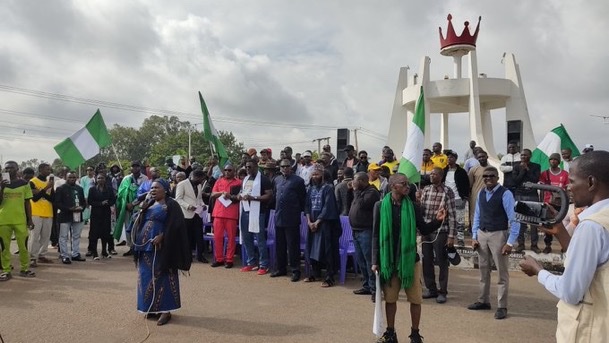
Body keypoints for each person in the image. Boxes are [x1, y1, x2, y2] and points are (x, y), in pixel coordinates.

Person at [519, 150, 609, 342]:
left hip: (588, 331)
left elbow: (571, 291)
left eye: (573, 181)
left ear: (591, 183)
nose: (568, 187)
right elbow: (596, 264)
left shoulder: (592, 227)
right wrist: (560, 231)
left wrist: (538, 271)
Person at [372, 173, 446, 343]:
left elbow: (425, 229)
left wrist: (437, 221)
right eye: (403, 184)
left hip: (410, 261)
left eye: (407, 183)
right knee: (390, 299)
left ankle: (415, 333)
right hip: (388, 261)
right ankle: (391, 333)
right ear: (392, 186)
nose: (408, 186)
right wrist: (374, 261)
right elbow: (375, 235)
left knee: (415, 299)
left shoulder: (413, 207)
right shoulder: (380, 206)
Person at [131, 179, 191, 326]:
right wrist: (141, 210)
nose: (153, 190)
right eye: (151, 188)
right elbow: (137, 222)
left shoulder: (171, 205)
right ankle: (151, 308)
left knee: (163, 276)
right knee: (146, 276)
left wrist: (163, 236)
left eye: (156, 188)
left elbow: (177, 225)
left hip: (163, 248)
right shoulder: (149, 204)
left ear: (165, 189)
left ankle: (166, 310)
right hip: (145, 247)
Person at [468, 166, 520, 320]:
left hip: (499, 234)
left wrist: (510, 243)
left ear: (497, 177)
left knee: (501, 273)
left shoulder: (506, 194)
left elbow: (514, 220)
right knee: (483, 270)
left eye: (491, 175)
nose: (488, 178)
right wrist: (474, 236)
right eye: (485, 176)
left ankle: (502, 306)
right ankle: (483, 300)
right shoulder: (481, 193)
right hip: (482, 234)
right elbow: (477, 215)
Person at [418, 167, 457, 304]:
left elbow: (452, 215)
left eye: (435, 174)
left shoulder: (447, 192)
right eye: (431, 174)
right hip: (426, 230)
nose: (432, 176)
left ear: (441, 176)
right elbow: (421, 210)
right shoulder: (426, 190)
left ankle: (442, 291)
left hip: (441, 231)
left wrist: (451, 236)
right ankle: (431, 288)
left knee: (442, 261)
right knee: (427, 260)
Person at [304, 166, 341, 287]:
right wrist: (309, 221)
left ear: (322, 175)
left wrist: (318, 222)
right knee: (312, 248)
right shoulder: (310, 189)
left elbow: (328, 207)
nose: (315, 177)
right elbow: (307, 206)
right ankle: (314, 273)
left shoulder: (328, 188)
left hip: (324, 224)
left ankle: (329, 277)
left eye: (317, 174)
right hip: (312, 224)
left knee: (326, 250)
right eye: (313, 175)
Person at [271, 158, 306, 282]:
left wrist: (296, 211)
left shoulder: (298, 181)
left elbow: (303, 199)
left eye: (287, 166)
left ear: (291, 167)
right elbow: (275, 196)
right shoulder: (276, 179)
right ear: (279, 168)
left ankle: (295, 270)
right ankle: (281, 269)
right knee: (280, 245)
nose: (285, 168)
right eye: (282, 167)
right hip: (279, 217)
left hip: (292, 218)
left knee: (292, 246)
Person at [0, 161, 35, 281]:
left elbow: (27, 202)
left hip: (20, 220)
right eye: (6, 168)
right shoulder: (1, 184)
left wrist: (30, 219)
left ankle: (25, 269)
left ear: (17, 169)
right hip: (3, 220)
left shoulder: (24, 183)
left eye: (11, 168)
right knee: (4, 248)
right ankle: (6, 271)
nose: (8, 170)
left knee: (23, 247)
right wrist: (1, 188)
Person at [238, 158, 273, 275]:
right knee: (247, 238)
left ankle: (264, 264)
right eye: (246, 167)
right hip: (245, 210)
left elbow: (269, 195)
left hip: (258, 212)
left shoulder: (263, 179)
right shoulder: (245, 179)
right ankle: (251, 262)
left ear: (256, 167)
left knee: (260, 239)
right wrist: (239, 196)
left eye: (250, 167)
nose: (247, 169)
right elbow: (242, 191)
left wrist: (254, 198)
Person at [349, 172, 380, 300]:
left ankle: (375, 289)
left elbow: (363, 204)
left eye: (355, 180)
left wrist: (355, 190)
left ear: (362, 181)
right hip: (356, 230)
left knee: (369, 261)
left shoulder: (372, 192)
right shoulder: (359, 192)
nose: (352, 182)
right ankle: (367, 285)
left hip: (366, 231)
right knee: (361, 260)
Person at [114, 161, 149, 256]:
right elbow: (121, 192)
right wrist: (126, 203)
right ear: (131, 168)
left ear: (140, 168)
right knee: (128, 228)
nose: (135, 168)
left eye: (137, 166)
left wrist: (133, 204)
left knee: (139, 227)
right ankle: (131, 247)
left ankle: (138, 247)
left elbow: (146, 192)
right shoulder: (126, 178)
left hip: (139, 207)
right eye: (133, 166)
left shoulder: (145, 178)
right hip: (127, 207)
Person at [210, 164, 241, 268]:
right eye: (226, 170)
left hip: (231, 214)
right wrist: (221, 193)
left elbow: (239, 197)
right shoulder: (219, 181)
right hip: (218, 213)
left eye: (230, 170)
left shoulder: (239, 182)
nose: (227, 172)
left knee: (231, 238)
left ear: (234, 171)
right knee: (217, 237)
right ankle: (219, 259)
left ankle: (229, 259)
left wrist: (230, 196)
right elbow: (213, 194)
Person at [175, 169, 208, 264]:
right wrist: (188, 206)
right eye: (200, 179)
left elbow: (199, 198)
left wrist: (203, 205)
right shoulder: (182, 184)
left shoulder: (199, 185)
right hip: (186, 214)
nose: (201, 181)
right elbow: (178, 199)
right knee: (187, 236)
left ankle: (200, 255)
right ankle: (187, 256)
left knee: (199, 236)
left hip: (197, 213)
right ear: (194, 177)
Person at [539, 153, 569, 254]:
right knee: (548, 225)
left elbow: (567, 189)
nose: (553, 161)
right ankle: (548, 245)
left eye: (555, 160)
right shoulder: (544, 173)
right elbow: (542, 189)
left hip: (561, 203)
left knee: (561, 225)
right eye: (551, 159)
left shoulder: (565, 174)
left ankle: (563, 245)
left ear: (559, 161)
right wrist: (542, 201)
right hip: (548, 202)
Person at [513, 149, 542, 253]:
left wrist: (528, 169)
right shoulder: (516, 166)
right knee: (520, 221)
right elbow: (515, 181)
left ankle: (534, 245)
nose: (523, 157)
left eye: (525, 155)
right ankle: (521, 244)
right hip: (520, 195)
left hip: (532, 196)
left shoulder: (536, 166)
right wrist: (522, 170)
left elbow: (535, 179)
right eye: (522, 155)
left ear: (530, 156)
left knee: (533, 222)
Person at [55, 171, 87, 264]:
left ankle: (75, 254)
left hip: (78, 215)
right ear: (66, 178)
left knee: (76, 236)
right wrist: (69, 209)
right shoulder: (61, 188)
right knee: (63, 236)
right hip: (65, 216)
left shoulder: (80, 189)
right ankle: (65, 255)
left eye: (74, 177)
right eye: (70, 177)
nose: (72, 179)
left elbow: (83, 202)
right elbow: (57, 203)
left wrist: (82, 208)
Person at [28, 163, 55, 266]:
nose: (49, 171)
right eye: (47, 169)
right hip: (36, 213)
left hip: (48, 212)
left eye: (49, 169)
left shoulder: (49, 183)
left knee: (45, 236)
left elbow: (52, 199)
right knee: (34, 236)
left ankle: (42, 255)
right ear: (40, 170)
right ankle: (33, 257)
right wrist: (45, 189)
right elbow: (34, 199)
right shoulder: (32, 182)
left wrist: (41, 191)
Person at [443, 151, 470, 246]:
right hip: (446, 200)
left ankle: (460, 239)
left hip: (459, 199)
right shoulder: (444, 171)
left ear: (455, 159)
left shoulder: (461, 171)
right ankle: (447, 239)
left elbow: (466, 185)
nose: (449, 159)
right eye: (448, 157)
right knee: (446, 220)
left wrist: (465, 198)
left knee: (460, 221)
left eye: (451, 157)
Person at [88, 173, 116, 259]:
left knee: (105, 233)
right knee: (94, 234)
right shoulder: (92, 189)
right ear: (96, 179)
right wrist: (100, 203)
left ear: (105, 179)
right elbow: (90, 201)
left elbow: (113, 199)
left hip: (106, 213)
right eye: (99, 178)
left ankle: (104, 251)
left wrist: (108, 203)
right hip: (96, 214)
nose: (101, 180)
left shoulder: (109, 189)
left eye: (102, 178)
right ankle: (95, 253)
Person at [468, 150, 489, 226]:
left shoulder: (492, 169)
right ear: (477, 158)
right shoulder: (473, 169)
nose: (481, 158)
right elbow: (470, 184)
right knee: (475, 212)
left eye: (483, 156)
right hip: (476, 194)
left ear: (487, 157)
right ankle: (475, 231)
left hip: (489, 194)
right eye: (479, 157)